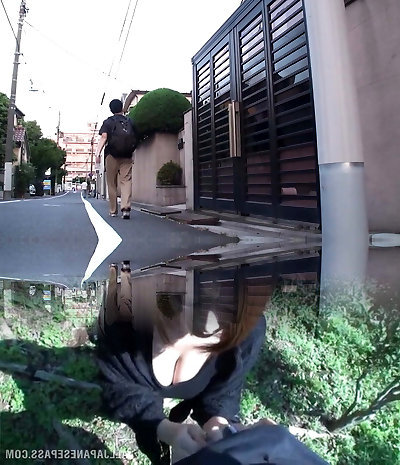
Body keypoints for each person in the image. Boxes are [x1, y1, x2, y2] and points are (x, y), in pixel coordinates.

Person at [96, 265, 266, 465]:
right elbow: (117, 385)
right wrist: (163, 428)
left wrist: (221, 426)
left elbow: (224, 390)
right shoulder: (121, 314)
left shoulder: (246, 332)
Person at [95, 99, 137, 219]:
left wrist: (97, 154)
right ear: (122, 108)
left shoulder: (108, 122)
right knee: (126, 180)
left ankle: (113, 210)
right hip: (127, 155)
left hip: (111, 155)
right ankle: (126, 208)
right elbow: (135, 137)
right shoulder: (130, 122)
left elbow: (104, 137)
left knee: (111, 183)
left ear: (111, 110)